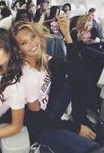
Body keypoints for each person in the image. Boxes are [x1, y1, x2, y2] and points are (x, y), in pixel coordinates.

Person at [11, 17, 99, 152]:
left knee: (79, 78)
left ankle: (80, 117)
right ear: (18, 50)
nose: (32, 43)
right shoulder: (27, 77)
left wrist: (67, 35)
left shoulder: (44, 59)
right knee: (93, 148)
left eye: (33, 36)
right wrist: (76, 128)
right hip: (39, 126)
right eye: (24, 42)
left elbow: (77, 71)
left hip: (50, 109)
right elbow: (39, 119)